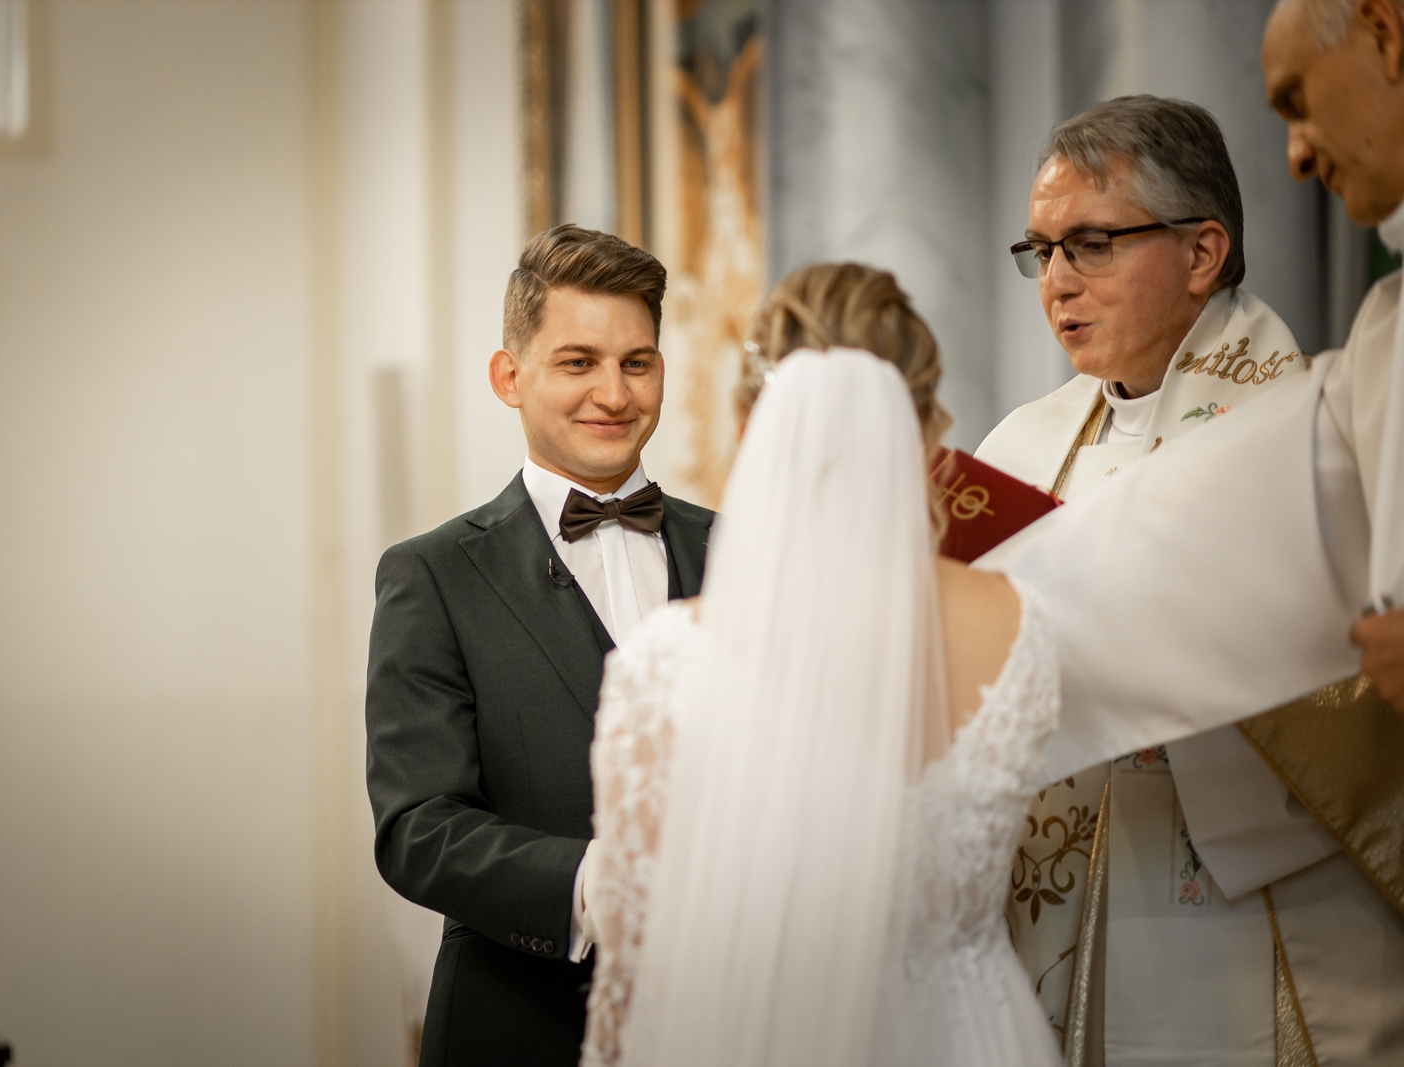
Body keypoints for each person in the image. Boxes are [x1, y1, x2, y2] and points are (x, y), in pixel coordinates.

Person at [578, 263, 1066, 1067]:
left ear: (752, 427)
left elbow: (644, 960)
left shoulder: (663, 662)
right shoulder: (1021, 625)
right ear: (925, 431)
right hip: (971, 1033)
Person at [975, 96, 1336, 1066]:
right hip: (1059, 898)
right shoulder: (1020, 445)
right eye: (1041, 251)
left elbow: (1341, 694)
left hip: (1228, 898)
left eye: (1091, 244)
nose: (1057, 281)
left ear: (1202, 251)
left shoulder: (1308, 432)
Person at [365, 224, 715, 1067]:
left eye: (637, 362)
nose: (614, 393)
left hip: (726, 1017)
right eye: (578, 362)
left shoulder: (745, 551)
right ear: (509, 377)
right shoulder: (433, 574)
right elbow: (418, 825)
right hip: (520, 1025)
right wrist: (599, 886)